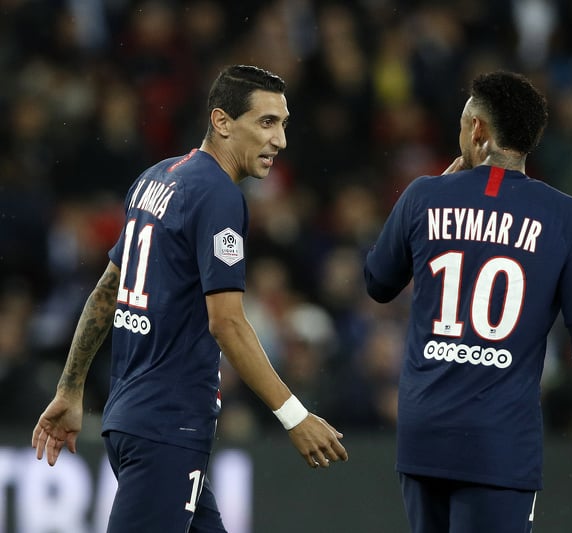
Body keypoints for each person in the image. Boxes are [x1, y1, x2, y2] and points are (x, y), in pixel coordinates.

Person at [31, 65, 348, 532]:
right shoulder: (219, 195)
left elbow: (106, 292)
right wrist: (293, 415)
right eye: (266, 123)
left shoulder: (155, 178)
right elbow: (227, 323)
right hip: (168, 426)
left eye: (283, 124)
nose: (280, 140)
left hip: (132, 416)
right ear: (222, 122)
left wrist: (70, 387)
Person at [364, 71, 572, 533]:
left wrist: (430, 196)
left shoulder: (424, 195)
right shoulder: (566, 216)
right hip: (499, 442)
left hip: (424, 437)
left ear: (479, 130)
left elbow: (378, 282)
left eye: (465, 124)